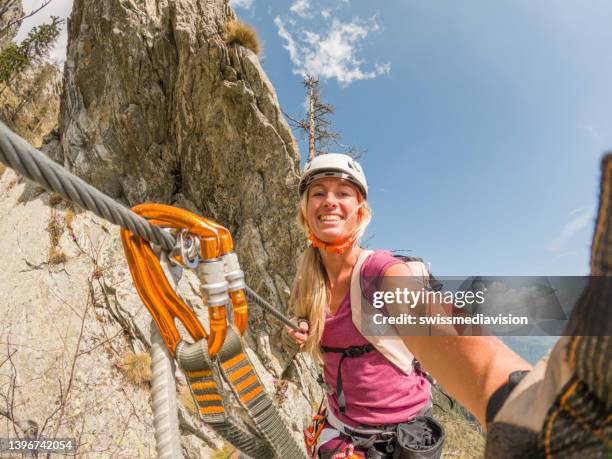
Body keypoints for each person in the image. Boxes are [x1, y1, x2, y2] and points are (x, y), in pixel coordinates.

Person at [287, 153, 451, 459]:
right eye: (318, 193)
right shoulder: (306, 284)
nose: (329, 201)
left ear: (360, 212)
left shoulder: (382, 273)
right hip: (338, 430)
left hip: (401, 437)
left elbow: (448, 342)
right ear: (305, 210)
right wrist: (305, 328)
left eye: (343, 193)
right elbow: (309, 320)